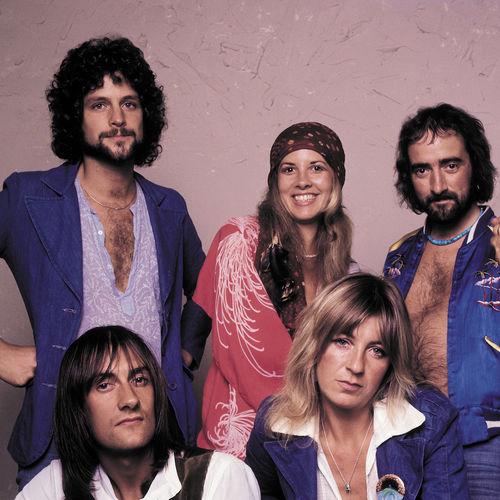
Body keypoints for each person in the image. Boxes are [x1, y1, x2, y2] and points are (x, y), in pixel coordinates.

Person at [0, 36, 210, 487]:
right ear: (75, 116)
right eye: (99, 104)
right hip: (60, 432)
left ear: (145, 115)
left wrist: (183, 354)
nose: (117, 118)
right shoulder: (29, 198)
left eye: (129, 103)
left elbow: (210, 287)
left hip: (154, 434)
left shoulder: (169, 208)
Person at [194, 121, 358, 458]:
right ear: (275, 182)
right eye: (288, 169)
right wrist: (320, 423)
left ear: (336, 179)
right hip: (243, 443)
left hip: (310, 445)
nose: (302, 181)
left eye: (317, 168)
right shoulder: (240, 240)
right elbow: (245, 356)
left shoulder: (345, 270)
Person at [245, 273, 469, 499]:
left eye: (377, 351)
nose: (356, 366)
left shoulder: (432, 421)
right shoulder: (274, 425)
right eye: (343, 342)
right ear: (314, 346)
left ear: (390, 365)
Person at [383, 103, 499, 498]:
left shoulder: (498, 243)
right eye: (422, 170)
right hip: (408, 445)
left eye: (450, 165)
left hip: (484, 442)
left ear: (474, 166)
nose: (437, 184)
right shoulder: (398, 258)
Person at [15, 326, 259, 500]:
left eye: (140, 380)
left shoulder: (219, 477)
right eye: (104, 385)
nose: (130, 399)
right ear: (79, 407)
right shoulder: (53, 487)